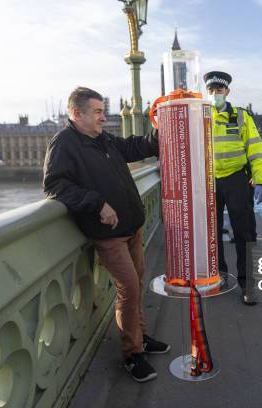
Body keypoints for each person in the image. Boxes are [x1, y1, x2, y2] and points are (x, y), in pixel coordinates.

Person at [43, 87, 169, 383]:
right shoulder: (64, 144)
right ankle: (132, 355)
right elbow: (54, 186)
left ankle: (141, 336)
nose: (104, 117)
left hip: (132, 225)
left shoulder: (103, 138)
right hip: (108, 232)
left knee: (136, 283)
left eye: (103, 110)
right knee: (128, 288)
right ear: (76, 114)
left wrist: (158, 131)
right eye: (97, 112)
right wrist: (96, 203)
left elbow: (134, 148)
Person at [204, 71, 262, 305]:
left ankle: (247, 284)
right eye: (211, 91)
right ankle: (219, 275)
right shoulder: (200, 117)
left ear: (227, 92)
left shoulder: (241, 117)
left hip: (237, 179)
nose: (215, 95)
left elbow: (255, 150)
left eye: (219, 91)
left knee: (244, 232)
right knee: (212, 233)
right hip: (209, 181)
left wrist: (259, 180)